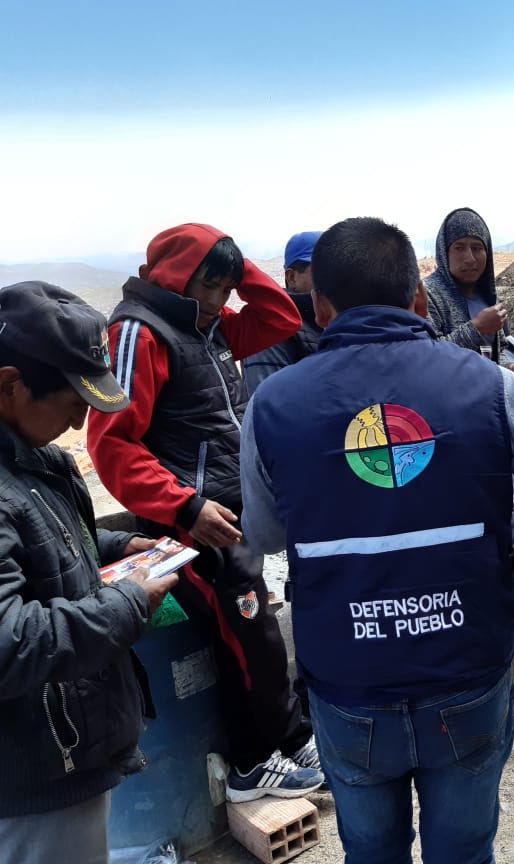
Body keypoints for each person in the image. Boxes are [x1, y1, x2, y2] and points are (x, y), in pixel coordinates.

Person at [239, 216, 514, 863]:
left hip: (347, 681)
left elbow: (265, 533)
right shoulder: (496, 391)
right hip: (467, 669)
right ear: (418, 298)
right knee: (464, 852)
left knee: (371, 851)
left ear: (320, 307)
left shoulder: (271, 405)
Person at [86, 224, 323, 802]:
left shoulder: (207, 326)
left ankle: (289, 738)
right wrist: (183, 506)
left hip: (227, 506)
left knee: (254, 627)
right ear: (173, 276)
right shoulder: (139, 333)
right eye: (208, 285)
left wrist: (236, 268)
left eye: (225, 287)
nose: (220, 300)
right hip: (187, 522)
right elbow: (111, 442)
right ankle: (250, 763)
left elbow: (281, 319)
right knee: (246, 633)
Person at [0, 282, 178, 863]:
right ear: (10, 386)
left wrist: (119, 544)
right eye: (73, 400)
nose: (81, 421)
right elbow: (9, 640)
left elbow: (47, 542)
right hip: (31, 780)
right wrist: (127, 603)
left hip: (65, 754)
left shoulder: (33, 458)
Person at [424, 206, 514, 379]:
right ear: (444, 252)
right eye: (459, 247)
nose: (470, 258)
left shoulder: (488, 297)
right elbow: (427, 358)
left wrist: (508, 368)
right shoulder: (428, 295)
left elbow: (496, 352)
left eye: (477, 248)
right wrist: (476, 328)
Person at [242, 230, 324, 393]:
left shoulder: (332, 320)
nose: (333, 280)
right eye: (323, 272)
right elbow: (267, 408)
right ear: (292, 277)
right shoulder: (269, 329)